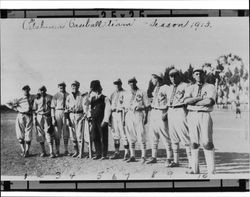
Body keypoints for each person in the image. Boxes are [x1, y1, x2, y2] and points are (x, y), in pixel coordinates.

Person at [184, 66, 217, 175]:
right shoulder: (190, 88)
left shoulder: (210, 87)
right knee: (193, 143)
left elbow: (210, 101)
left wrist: (194, 102)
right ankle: (194, 169)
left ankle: (211, 171)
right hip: (192, 115)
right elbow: (186, 101)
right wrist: (199, 99)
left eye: (201, 73)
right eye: (196, 74)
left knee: (207, 142)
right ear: (193, 76)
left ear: (204, 75)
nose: (198, 75)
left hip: (204, 115)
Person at [165, 69, 191, 168]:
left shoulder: (185, 85)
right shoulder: (169, 88)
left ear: (179, 76)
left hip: (181, 110)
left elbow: (188, 99)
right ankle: (176, 161)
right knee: (173, 137)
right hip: (171, 111)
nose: (173, 78)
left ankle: (191, 162)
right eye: (171, 76)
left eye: (175, 76)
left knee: (185, 136)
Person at [146, 72, 173, 166]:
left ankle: (169, 158)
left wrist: (167, 113)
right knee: (153, 135)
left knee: (165, 135)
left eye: (153, 78)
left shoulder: (166, 87)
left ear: (157, 78)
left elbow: (171, 101)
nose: (152, 80)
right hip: (154, 112)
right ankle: (154, 157)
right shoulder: (155, 88)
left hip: (162, 112)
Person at [124, 77, 150, 163]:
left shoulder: (142, 92)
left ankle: (143, 156)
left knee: (141, 133)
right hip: (129, 114)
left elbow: (147, 106)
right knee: (130, 135)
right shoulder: (127, 93)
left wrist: (145, 116)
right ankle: (132, 156)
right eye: (130, 82)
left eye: (133, 82)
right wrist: (123, 118)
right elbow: (124, 107)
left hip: (138, 114)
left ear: (136, 82)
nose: (131, 84)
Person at [5, 85, 36, 157]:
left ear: (29, 90)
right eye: (25, 90)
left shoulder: (32, 96)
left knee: (29, 133)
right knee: (20, 133)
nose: (26, 91)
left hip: (29, 116)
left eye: (27, 90)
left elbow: (39, 95)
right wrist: (14, 108)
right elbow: (7, 103)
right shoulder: (19, 98)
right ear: (22, 91)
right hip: (21, 115)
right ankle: (23, 150)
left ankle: (27, 151)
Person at [88, 80, 111, 160]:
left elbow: (108, 110)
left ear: (100, 89)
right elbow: (85, 103)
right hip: (94, 120)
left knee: (103, 137)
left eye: (97, 89)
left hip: (102, 120)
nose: (96, 91)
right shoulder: (92, 98)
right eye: (95, 90)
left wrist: (105, 120)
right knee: (95, 136)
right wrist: (89, 92)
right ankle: (98, 153)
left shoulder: (105, 98)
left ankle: (104, 154)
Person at [65, 80, 88, 158]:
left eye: (76, 85)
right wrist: (67, 119)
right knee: (73, 135)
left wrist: (85, 114)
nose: (74, 87)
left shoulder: (82, 95)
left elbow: (85, 106)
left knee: (79, 134)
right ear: (71, 87)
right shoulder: (68, 96)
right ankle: (76, 151)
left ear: (78, 86)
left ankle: (81, 152)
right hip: (71, 115)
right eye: (73, 86)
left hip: (80, 115)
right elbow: (66, 109)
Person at [109, 78, 130, 160]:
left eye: (118, 83)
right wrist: (110, 118)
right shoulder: (112, 94)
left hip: (121, 113)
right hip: (114, 114)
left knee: (124, 133)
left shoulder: (125, 93)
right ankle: (117, 152)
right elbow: (110, 107)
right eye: (115, 83)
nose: (117, 85)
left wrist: (125, 118)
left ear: (121, 84)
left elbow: (127, 106)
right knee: (115, 134)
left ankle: (127, 152)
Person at [33, 85, 55, 158]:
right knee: (40, 134)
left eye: (43, 90)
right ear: (39, 91)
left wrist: (52, 117)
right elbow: (34, 110)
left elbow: (52, 108)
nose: (42, 91)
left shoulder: (50, 97)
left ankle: (52, 152)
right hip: (39, 116)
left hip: (47, 116)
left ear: (46, 90)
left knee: (48, 132)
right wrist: (34, 118)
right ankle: (43, 151)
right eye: (40, 90)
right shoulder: (36, 99)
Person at [51, 82, 70, 157]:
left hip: (66, 112)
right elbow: (52, 107)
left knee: (66, 132)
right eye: (60, 86)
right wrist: (53, 118)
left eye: (63, 86)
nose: (61, 87)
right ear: (58, 87)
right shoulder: (56, 95)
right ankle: (57, 151)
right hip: (58, 112)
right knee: (57, 133)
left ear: (65, 86)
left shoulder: (68, 95)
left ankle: (66, 150)